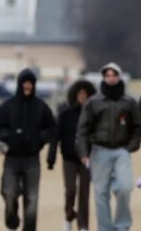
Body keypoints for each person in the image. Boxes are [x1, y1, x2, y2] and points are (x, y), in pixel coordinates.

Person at [76, 62, 141, 231]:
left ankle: (122, 225)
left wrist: (132, 146)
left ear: (119, 77)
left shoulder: (128, 102)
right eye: (107, 75)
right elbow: (83, 129)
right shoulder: (93, 102)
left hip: (122, 150)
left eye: (114, 75)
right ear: (104, 78)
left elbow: (138, 126)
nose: (111, 78)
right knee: (101, 193)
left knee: (124, 188)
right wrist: (84, 152)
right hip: (99, 150)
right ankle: (105, 228)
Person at [0, 69, 56, 231]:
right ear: (20, 84)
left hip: (32, 158)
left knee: (32, 198)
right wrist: (9, 137)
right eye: (25, 83)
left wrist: (39, 139)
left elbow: (52, 128)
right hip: (12, 158)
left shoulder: (41, 106)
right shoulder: (8, 105)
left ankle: (29, 228)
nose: (27, 86)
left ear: (33, 85)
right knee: (8, 192)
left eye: (30, 83)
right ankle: (11, 217)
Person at [48, 79, 97, 231]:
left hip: (86, 159)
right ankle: (69, 216)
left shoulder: (93, 114)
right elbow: (56, 136)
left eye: (85, 94)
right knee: (70, 190)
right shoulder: (65, 113)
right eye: (80, 94)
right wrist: (51, 157)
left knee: (84, 193)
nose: (82, 97)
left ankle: (83, 225)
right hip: (68, 157)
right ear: (75, 95)